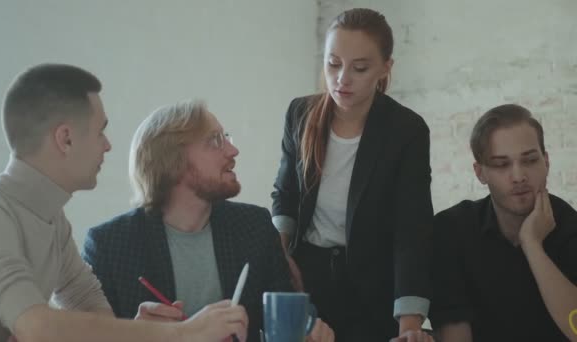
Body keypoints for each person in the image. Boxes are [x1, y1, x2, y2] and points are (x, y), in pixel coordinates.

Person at [0, 64, 248, 342]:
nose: (108, 145)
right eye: (100, 131)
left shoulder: (53, 220)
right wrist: (183, 333)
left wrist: (141, 331)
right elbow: (35, 327)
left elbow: (94, 314)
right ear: (65, 139)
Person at [82, 100, 334, 342]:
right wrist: (137, 336)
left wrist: (309, 328)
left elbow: (286, 309)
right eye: (215, 140)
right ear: (173, 159)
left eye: (227, 137)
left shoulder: (254, 226)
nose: (233, 151)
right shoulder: (109, 244)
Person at [271, 8, 434, 342]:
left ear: (385, 68)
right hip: (306, 280)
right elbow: (285, 197)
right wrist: (278, 260)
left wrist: (410, 323)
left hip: (374, 286)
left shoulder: (406, 130)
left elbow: (412, 229)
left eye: (360, 68)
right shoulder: (299, 114)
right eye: (333, 63)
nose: (343, 78)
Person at [431, 104, 577, 341]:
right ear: (480, 173)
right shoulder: (452, 230)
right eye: (501, 165)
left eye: (529, 160)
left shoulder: (570, 226)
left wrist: (532, 244)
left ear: (546, 162)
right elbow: (454, 334)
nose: (518, 176)